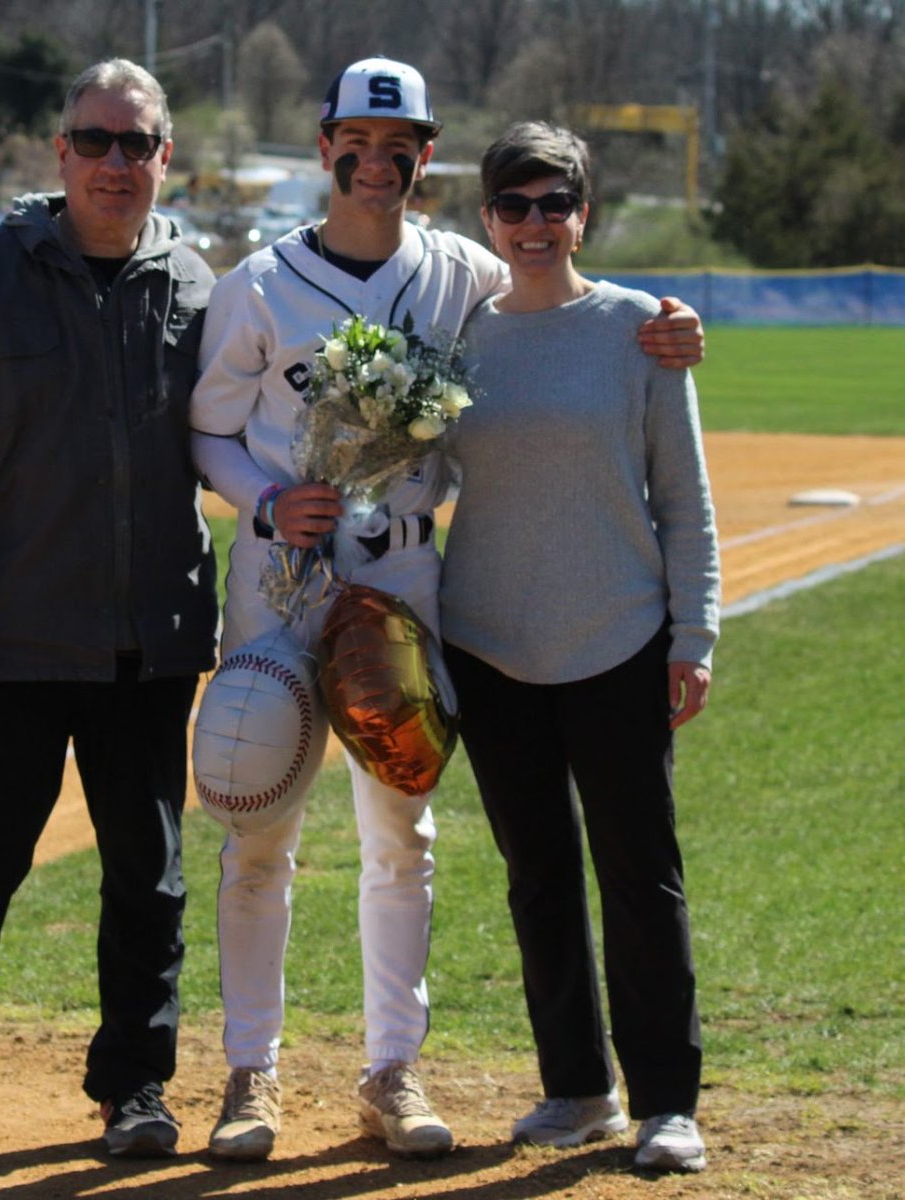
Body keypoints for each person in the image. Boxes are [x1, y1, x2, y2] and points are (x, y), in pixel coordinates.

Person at [189, 57, 705, 1163]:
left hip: (409, 579)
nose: (375, 164)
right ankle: (250, 1072)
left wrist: (668, 325)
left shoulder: (459, 272)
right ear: (325, 142)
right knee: (258, 823)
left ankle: (392, 1068)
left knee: (400, 832)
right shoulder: (261, 281)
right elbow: (208, 427)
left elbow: (556, 291)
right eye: (356, 144)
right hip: (280, 579)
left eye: (400, 147)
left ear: (425, 160)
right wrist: (266, 501)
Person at [0, 58, 217, 1166]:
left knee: (147, 881)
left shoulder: (201, 287)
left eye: (138, 144)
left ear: (166, 158)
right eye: (95, 140)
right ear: (57, 152)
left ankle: (136, 1086)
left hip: (148, 644)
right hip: (10, 643)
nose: (116, 163)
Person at [439, 121, 719, 1174]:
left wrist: (693, 632)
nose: (535, 223)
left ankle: (667, 1103)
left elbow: (684, 502)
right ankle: (576, 1087)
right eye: (514, 205)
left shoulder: (642, 330)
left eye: (555, 203)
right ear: (488, 220)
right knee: (537, 874)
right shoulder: (462, 337)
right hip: (488, 644)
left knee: (641, 875)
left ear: (583, 213)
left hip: (618, 638)